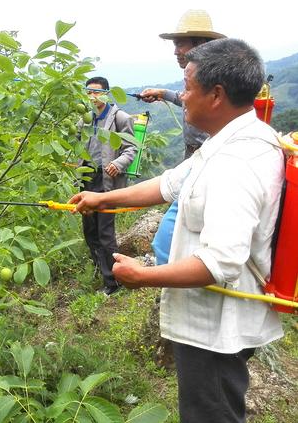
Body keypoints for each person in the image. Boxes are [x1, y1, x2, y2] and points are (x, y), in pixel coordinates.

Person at [69, 38, 285, 423]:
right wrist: (101, 199)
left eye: (187, 86)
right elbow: (169, 183)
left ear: (216, 95)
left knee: (211, 414)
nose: (181, 96)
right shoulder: (224, 141)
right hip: (208, 321)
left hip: (218, 329)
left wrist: (143, 276)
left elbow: (220, 262)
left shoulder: (238, 162)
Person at [140, 9, 225, 265]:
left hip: (207, 161)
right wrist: (164, 93)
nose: (175, 50)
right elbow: (186, 100)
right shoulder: (198, 73)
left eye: (180, 44)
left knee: (181, 224)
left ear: (200, 44)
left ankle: (174, 271)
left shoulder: (215, 78)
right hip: (194, 157)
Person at [78, 77, 137, 296]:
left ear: (107, 93)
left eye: (96, 92)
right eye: (89, 93)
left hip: (107, 182)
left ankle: (114, 282)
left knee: (105, 232)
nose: (92, 97)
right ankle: (101, 270)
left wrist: (118, 163)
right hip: (87, 180)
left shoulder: (119, 118)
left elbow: (131, 149)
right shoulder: (84, 119)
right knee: (90, 230)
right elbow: (77, 143)